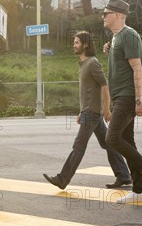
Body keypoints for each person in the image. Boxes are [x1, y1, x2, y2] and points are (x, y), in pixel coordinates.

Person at [43, 31, 132, 190]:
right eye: (74, 42)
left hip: (92, 114)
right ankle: (124, 175)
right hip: (89, 112)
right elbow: (88, 92)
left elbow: (104, 86)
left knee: (78, 146)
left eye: (77, 42)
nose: (74, 45)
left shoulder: (92, 63)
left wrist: (107, 109)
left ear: (85, 45)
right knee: (108, 144)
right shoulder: (84, 64)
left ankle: (63, 179)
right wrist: (81, 111)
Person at [101, 0, 142, 204]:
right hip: (121, 95)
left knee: (111, 138)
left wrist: (139, 100)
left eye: (106, 13)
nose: (103, 16)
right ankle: (138, 190)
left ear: (118, 15)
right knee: (127, 141)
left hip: (128, 96)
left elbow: (137, 68)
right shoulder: (117, 37)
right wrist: (110, 48)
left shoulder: (129, 35)